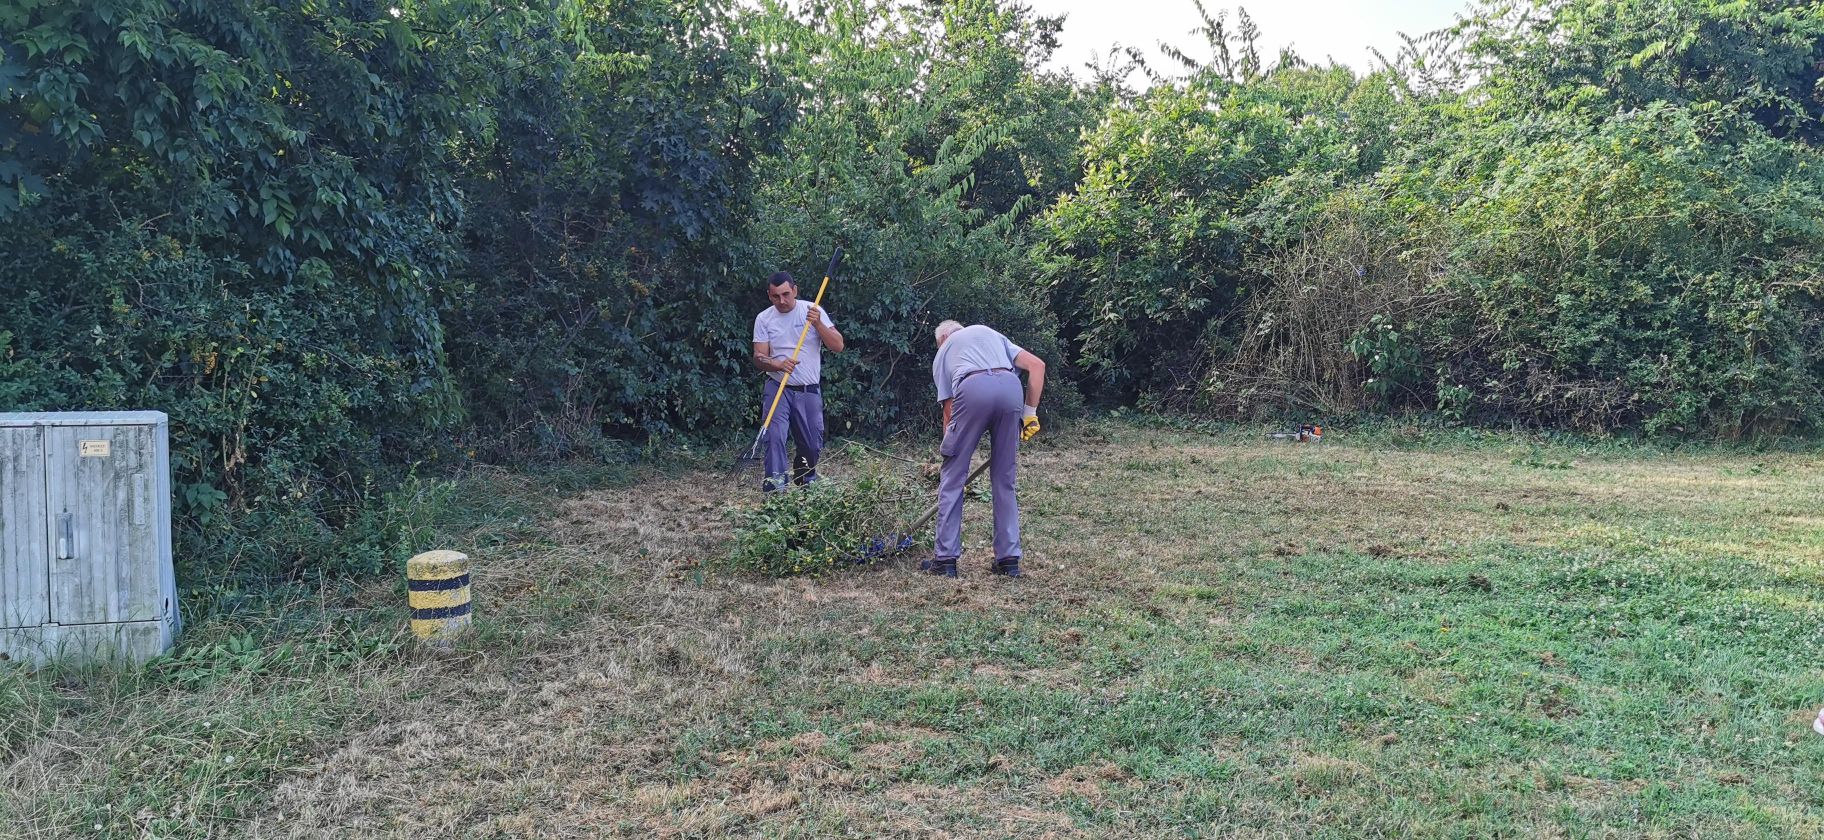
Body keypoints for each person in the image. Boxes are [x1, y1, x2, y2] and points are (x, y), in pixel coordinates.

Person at [923, 320, 1044, 577]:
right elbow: (1037, 366)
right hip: (1011, 387)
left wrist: (952, 452)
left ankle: (945, 560)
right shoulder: (991, 333)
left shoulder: (944, 352)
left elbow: (949, 412)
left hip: (972, 389)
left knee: (953, 478)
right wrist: (1030, 413)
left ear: (942, 340)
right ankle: (1008, 560)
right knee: (1004, 478)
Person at [752, 270, 843, 492]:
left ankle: (805, 479)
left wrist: (819, 325)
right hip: (777, 388)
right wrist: (777, 364)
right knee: (774, 439)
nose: (781, 301)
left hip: (808, 390)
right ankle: (776, 493)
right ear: (769, 295)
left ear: (795, 290)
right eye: (775, 296)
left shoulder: (813, 311)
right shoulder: (764, 318)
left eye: (785, 294)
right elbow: (759, 357)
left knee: (812, 445)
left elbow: (838, 345)